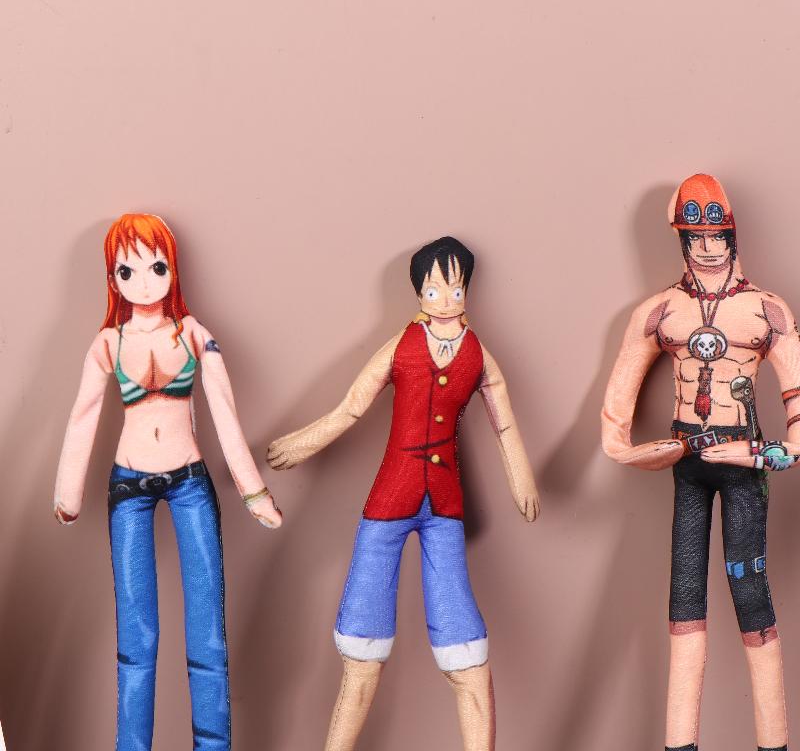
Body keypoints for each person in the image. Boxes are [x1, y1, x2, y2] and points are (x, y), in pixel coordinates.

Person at [267, 236, 539, 751]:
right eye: (434, 290)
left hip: (445, 509)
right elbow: (351, 406)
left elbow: (504, 423)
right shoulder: (400, 347)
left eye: (454, 289)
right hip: (388, 504)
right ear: (419, 293)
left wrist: (520, 476)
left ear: (467, 290)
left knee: (465, 649)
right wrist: (303, 443)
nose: (445, 299)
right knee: (361, 649)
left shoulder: (478, 355)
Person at [53, 213, 281, 751]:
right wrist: (68, 494)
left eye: (156, 267)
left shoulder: (194, 335)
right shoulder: (108, 342)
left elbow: (224, 413)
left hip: (189, 482)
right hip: (128, 487)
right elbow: (83, 415)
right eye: (126, 270)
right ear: (112, 279)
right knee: (135, 641)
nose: (144, 281)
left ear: (172, 269)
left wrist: (253, 492)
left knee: (208, 636)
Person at [602, 174, 797, 751]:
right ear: (682, 240)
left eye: (717, 236)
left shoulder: (768, 310)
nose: (708, 248)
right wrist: (637, 454)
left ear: (732, 236)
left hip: (743, 466)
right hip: (687, 461)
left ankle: (773, 744)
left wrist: (761, 453)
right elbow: (615, 413)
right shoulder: (660, 311)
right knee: (684, 603)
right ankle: (679, 745)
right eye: (696, 238)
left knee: (751, 597)